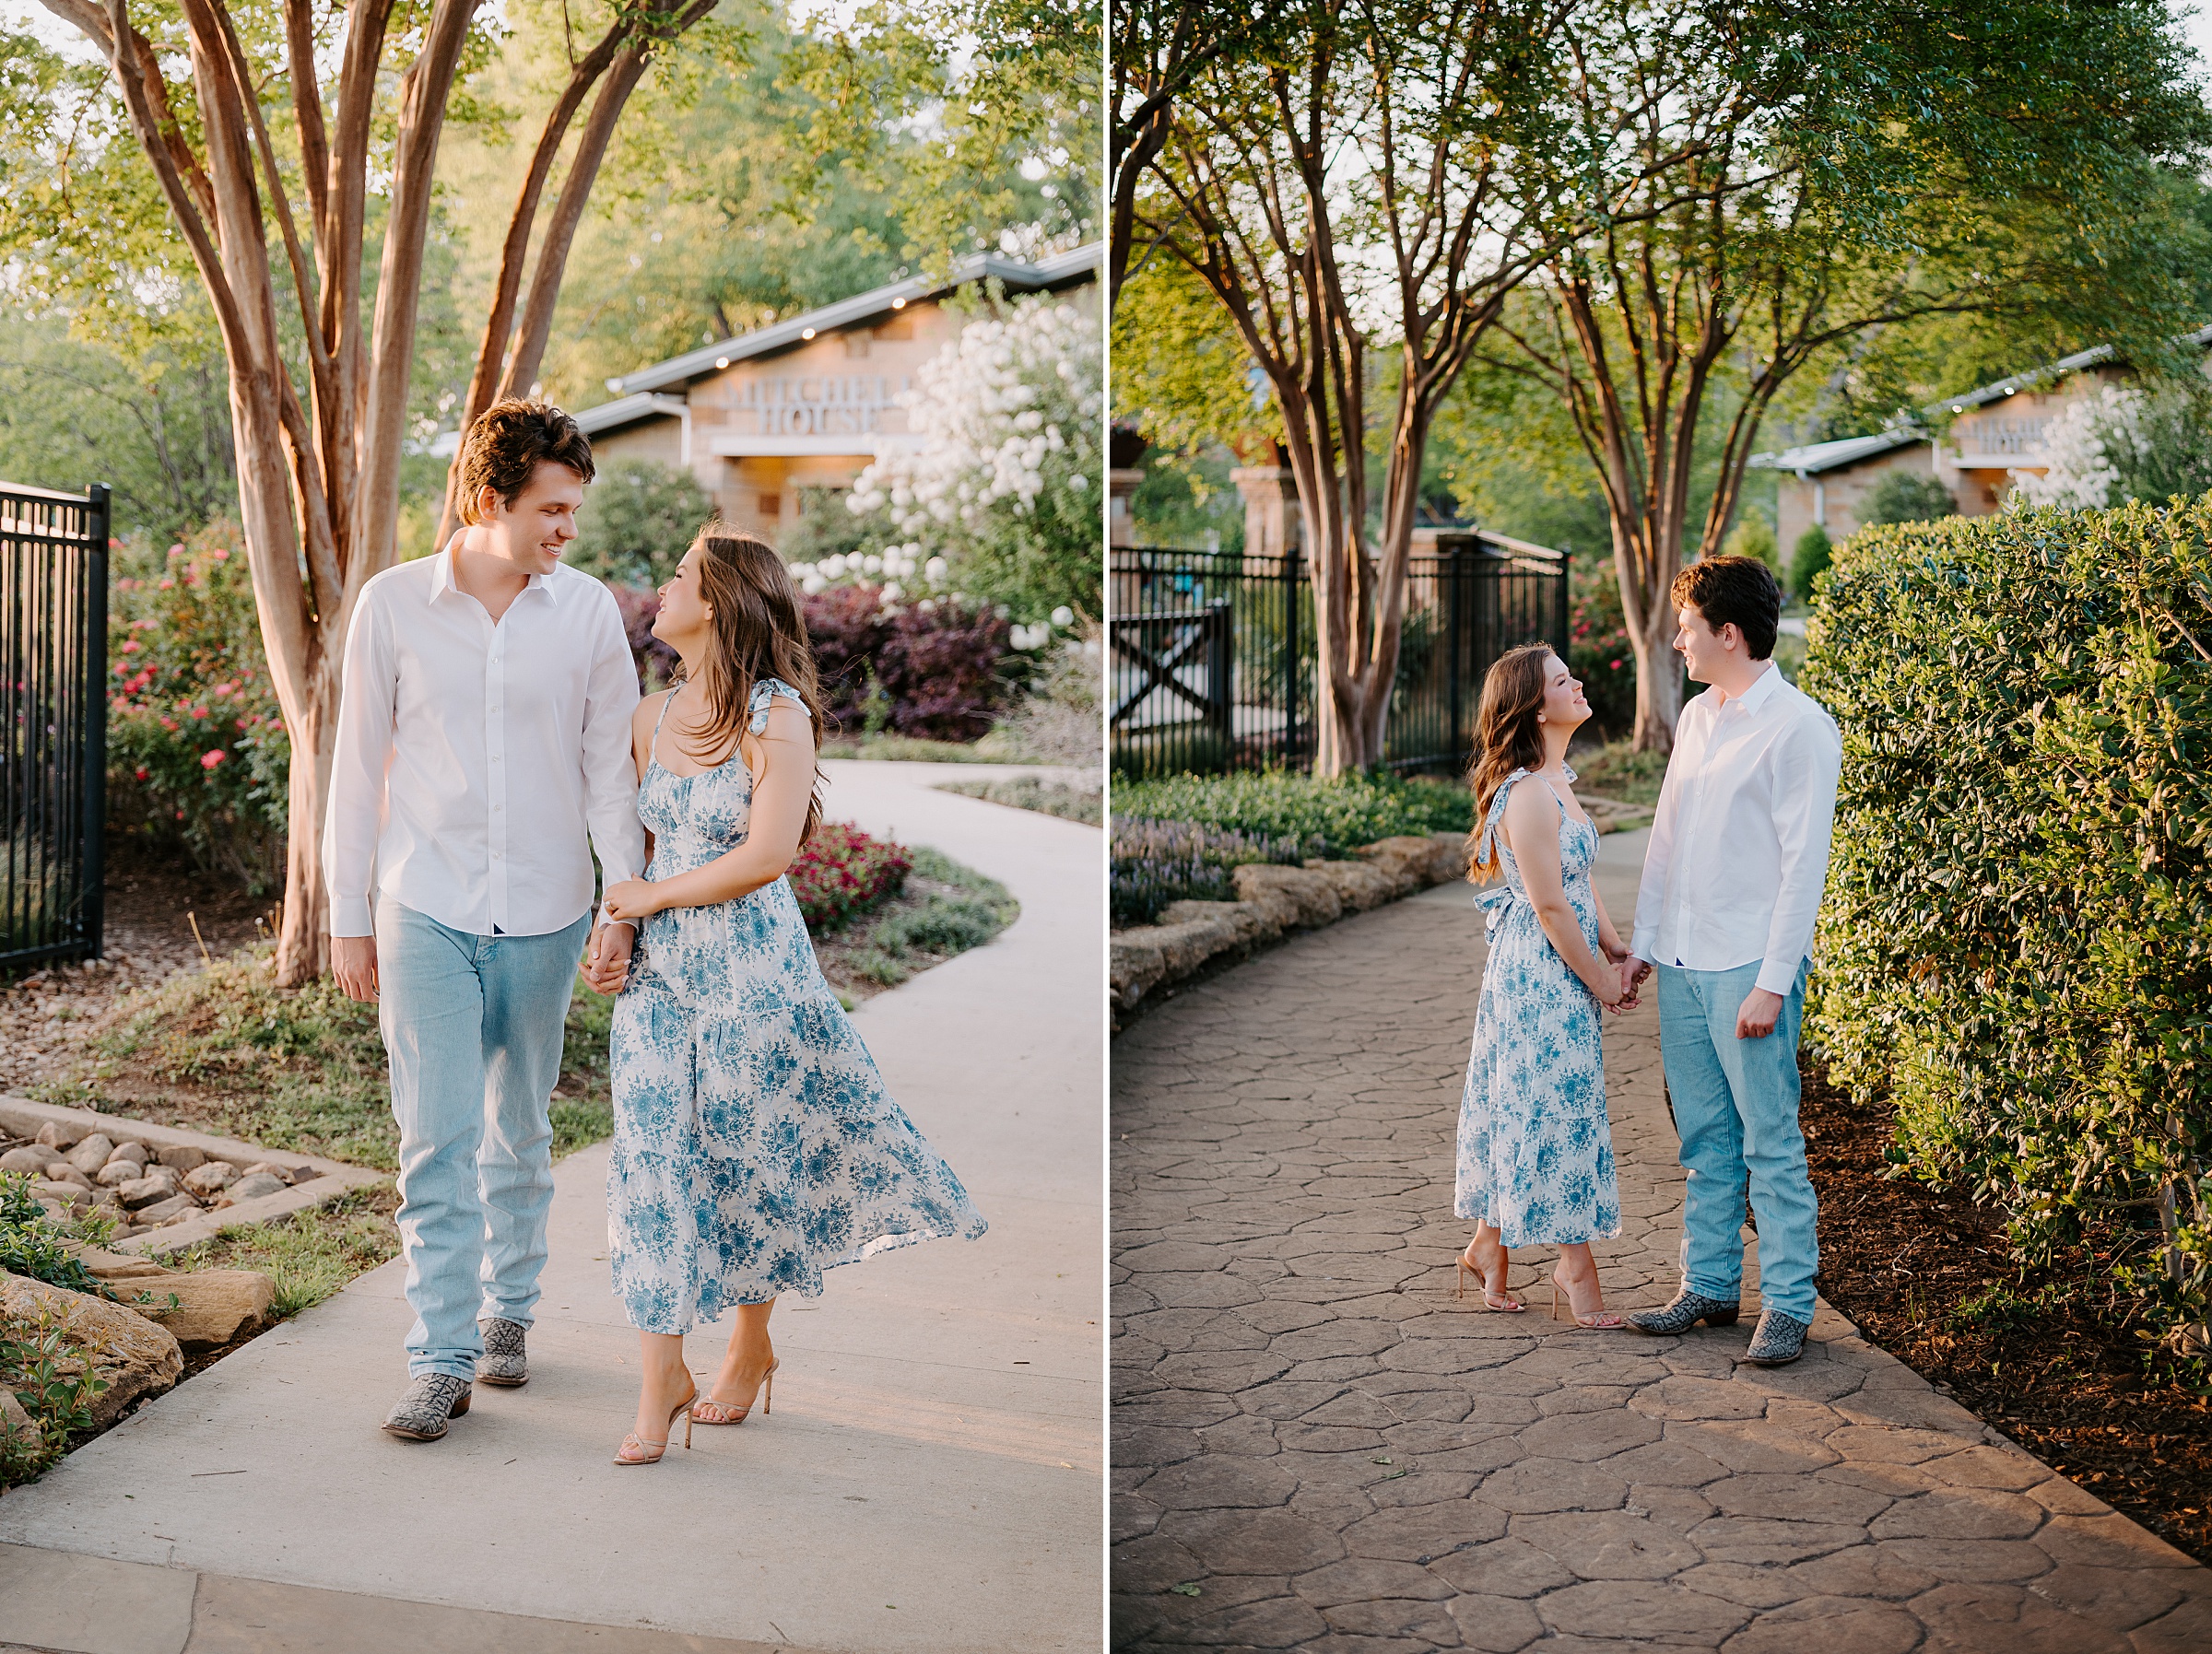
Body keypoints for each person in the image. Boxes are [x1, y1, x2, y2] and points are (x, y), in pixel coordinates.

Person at [596, 530, 987, 1466]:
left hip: (754, 977)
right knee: (652, 1170)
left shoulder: (777, 717)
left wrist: (650, 897)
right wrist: (615, 925)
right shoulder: (650, 717)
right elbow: (633, 849)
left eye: (681, 576)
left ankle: (750, 1343)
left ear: (722, 603)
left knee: (746, 1160)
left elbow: (769, 854)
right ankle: (659, 1378)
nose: (662, 586)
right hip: (660, 981)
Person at [326, 399, 644, 1441]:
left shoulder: (589, 611)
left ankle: (510, 1309)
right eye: (551, 509)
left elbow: (610, 771)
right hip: (426, 904)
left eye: (574, 511)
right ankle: (440, 1356)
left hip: (550, 911)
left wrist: (619, 899)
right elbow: (353, 768)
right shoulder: (393, 605)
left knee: (520, 1128)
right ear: (485, 500)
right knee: (434, 1138)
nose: (567, 530)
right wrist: (349, 915)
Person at [1620, 555, 1841, 1367]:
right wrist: (1644, 948)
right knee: (1704, 1138)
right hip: (1682, 962)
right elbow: (1667, 840)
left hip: (1748, 968)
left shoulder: (1800, 729)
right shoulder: (1700, 717)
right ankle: (1709, 1285)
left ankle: (1788, 1302)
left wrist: (1772, 983)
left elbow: (1801, 868)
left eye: (1687, 629)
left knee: (1769, 1141)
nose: (1678, 642)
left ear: (1730, 633)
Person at [1455, 644, 1634, 1331]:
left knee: (1534, 1100)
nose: (1578, 683)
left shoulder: (1558, 779)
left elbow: (1580, 879)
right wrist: (1601, 980)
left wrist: (1615, 944)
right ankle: (1575, 1269)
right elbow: (1550, 904)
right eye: (1563, 680)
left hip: (1565, 967)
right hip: (1539, 975)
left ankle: (1487, 1247)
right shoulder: (1527, 792)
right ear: (1534, 706)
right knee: (1553, 1106)